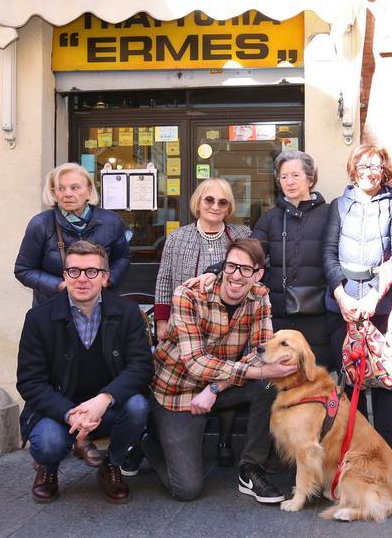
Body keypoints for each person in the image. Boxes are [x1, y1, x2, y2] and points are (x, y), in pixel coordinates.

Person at [144, 238, 297, 503]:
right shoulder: (188, 295)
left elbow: (262, 352)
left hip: (216, 387)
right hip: (177, 391)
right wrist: (257, 372)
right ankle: (149, 444)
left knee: (271, 384)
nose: (236, 276)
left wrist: (215, 388)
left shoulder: (260, 296)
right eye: (231, 266)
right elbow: (195, 362)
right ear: (222, 267)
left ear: (258, 274)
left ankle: (250, 469)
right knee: (187, 490)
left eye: (246, 269)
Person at [16, 240, 153, 504]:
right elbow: (30, 382)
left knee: (137, 406)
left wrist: (104, 400)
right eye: (74, 271)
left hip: (108, 408)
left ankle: (112, 464)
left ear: (105, 278)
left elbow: (141, 366)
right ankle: (48, 468)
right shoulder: (38, 318)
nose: (82, 279)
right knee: (49, 443)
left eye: (91, 271)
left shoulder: (127, 313)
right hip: (57, 411)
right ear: (64, 276)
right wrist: (70, 414)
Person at [323, 144, 392, 459]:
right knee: (351, 387)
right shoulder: (337, 206)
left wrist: (375, 294)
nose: (368, 171)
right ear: (352, 168)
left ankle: (388, 463)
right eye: (362, 165)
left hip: (380, 309)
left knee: (385, 386)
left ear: (384, 171)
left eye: (375, 166)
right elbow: (328, 254)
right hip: (342, 308)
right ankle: (356, 461)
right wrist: (341, 294)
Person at [153, 177, 251, 466]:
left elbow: (255, 265)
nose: (215, 206)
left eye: (222, 202)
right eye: (209, 200)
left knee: (226, 370)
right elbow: (164, 280)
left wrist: (218, 271)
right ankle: (184, 431)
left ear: (229, 207)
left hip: (228, 325)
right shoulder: (178, 237)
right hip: (187, 327)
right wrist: (161, 321)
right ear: (198, 202)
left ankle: (224, 438)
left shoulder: (241, 234)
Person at [250, 150, 332, 367]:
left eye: (296, 175)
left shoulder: (330, 213)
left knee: (315, 375)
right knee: (280, 380)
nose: (289, 182)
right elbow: (251, 253)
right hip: (279, 313)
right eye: (284, 176)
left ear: (310, 178)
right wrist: (217, 271)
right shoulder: (270, 218)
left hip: (318, 314)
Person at [15, 163, 131, 306]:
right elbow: (24, 270)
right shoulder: (41, 224)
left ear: (89, 191)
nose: (67, 194)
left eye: (75, 187)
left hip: (100, 306)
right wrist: (60, 285)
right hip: (52, 307)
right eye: (61, 188)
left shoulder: (111, 221)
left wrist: (107, 281)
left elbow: (122, 258)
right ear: (54, 193)